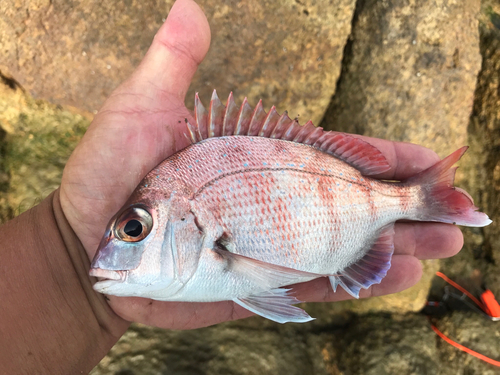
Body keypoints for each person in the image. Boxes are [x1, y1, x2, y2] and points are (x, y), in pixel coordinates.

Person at [0, 0, 464, 373]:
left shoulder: (198, 220)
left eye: (134, 229)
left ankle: (422, 198)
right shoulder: (171, 225)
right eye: (131, 231)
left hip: (348, 207)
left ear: (194, 226)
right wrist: (64, 262)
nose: (105, 258)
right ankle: (425, 197)